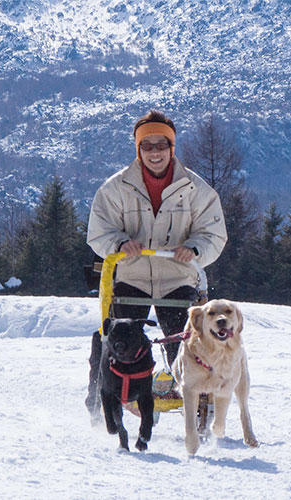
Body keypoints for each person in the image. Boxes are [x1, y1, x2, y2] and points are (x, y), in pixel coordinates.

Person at [85, 109, 227, 419]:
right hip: (132, 277)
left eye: (161, 145)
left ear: (172, 148)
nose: (155, 152)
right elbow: (98, 232)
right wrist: (120, 244)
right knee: (117, 340)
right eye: (147, 146)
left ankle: (196, 398)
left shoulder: (195, 189)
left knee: (186, 344)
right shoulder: (116, 188)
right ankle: (104, 399)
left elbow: (214, 234)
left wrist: (194, 249)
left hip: (177, 277)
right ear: (138, 149)